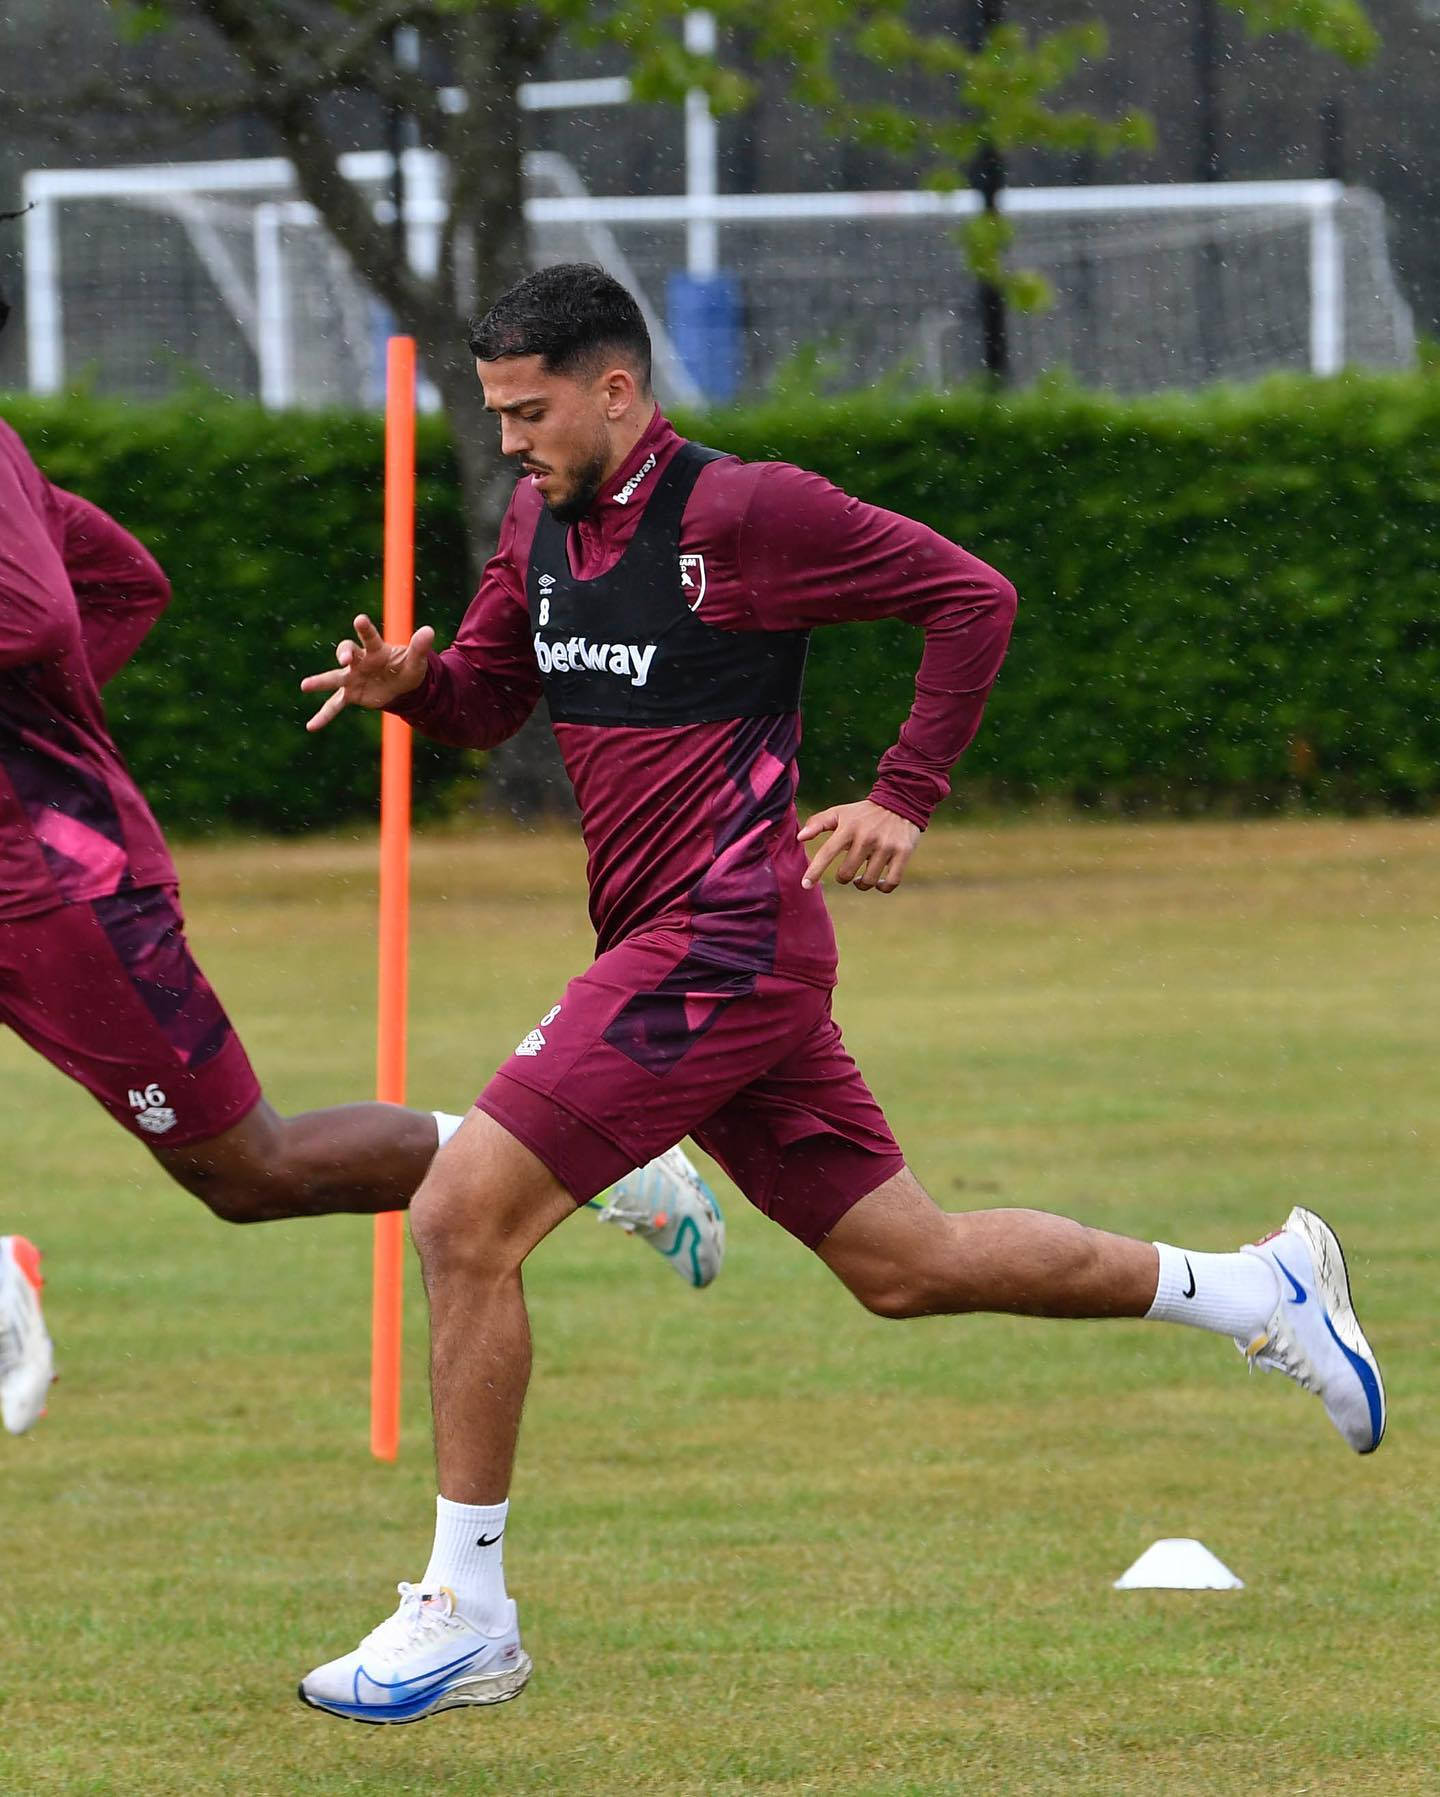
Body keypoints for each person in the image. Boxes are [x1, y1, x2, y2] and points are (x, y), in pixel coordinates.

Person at [296, 262, 1386, 1725]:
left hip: (723, 936)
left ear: (616, 389)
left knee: (459, 1214)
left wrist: (905, 793)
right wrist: (410, 689)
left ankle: (463, 1611)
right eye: (493, 415)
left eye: (527, 410)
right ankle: (1256, 1286)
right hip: (697, 951)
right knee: (907, 1265)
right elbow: (495, 693)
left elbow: (970, 596)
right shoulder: (536, 521)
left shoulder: (744, 515)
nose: (507, 441)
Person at [0, 266, 724, 1439]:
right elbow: (115, 588)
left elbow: (44, 615)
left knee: (249, 1173)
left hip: (60, 887)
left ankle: (584, 1155)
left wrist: (48, 743)